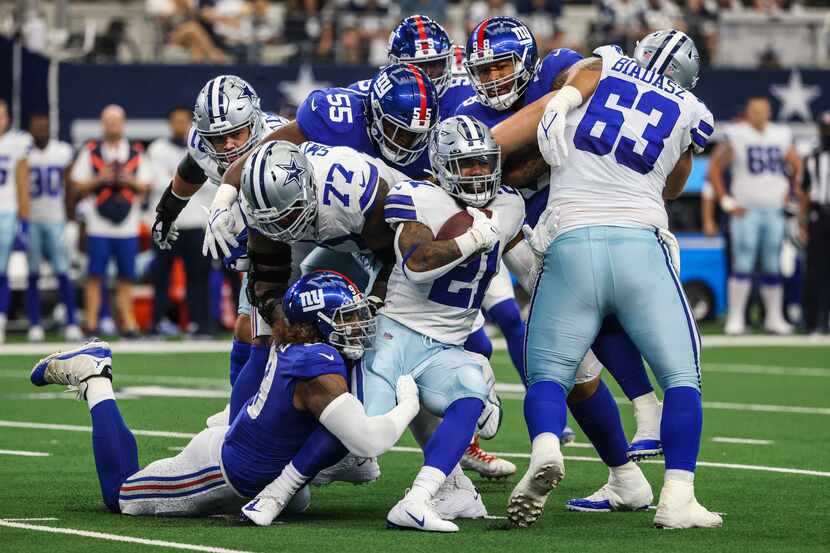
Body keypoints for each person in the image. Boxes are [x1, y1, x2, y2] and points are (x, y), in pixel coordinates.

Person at [508, 30, 721, 529]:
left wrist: (563, 99)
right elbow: (672, 185)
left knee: (548, 375)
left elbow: (588, 73)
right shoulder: (692, 109)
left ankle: (544, 447)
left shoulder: (603, 68)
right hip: (638, 243)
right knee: (682, 378)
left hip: (569, 240)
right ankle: (678, 496)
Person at [28, 270, 420, 519]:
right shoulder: (313, 364)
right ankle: (96, 374)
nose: (357, 325)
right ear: (316, 324)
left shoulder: (313, 352)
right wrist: (409, 404)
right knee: (121, 497)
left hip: (256, 451)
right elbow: (372, 439)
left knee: (346, 468)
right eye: (346, 318)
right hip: (223, 471)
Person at [461, 15, 664, 461]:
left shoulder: (553, 69)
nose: (493, 77)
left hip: (585, 218)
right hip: (523, 241)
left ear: (526, 60)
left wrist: (565, 95)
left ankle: (645, 414)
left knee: (607, 320)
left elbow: (593, 69)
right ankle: (623, 465)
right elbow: (493, 181)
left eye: (502, 65)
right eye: (485, 69)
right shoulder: (468, 116)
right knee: (573, 368)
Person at [362, 116, 545, 531]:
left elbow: (521, 250)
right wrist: (470, 240)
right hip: (397, 327)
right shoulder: (418, 196)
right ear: (441, 166)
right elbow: (417, 265)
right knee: (358, 446)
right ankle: (279, 482)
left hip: (448, 337)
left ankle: (436, 490)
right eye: (467, 164)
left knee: (471, 386)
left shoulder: (509, 204)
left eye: (484, 163)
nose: (478, 173)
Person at [151, 75, 288, 426]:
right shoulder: (202, 144)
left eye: (235, 134)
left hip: (306, 240)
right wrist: (167, 212)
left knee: (286, 332)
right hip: (265, 240)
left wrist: (257, 243)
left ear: (254, 122)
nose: (227, 145)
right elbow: (192, 169)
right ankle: (242, 413)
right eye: (217, 137)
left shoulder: (281, 142)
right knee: (248, 328)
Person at [707, 96, 803, 335]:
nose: (759, 115)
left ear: (769, 112)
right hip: (746, 209)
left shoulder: (780, 134)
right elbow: (714, 169)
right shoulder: (737, 134)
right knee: (743, 260)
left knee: (772, 262)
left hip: (774, 209)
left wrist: (791, 193)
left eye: (763, 110)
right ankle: (736, 317)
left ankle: (774, 317)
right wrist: (727, 201)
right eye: (755, 111)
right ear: (748, 112)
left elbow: (797, 165)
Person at [71, 104, 153, 338]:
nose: (112, 127)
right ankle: (91, 323)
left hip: (127, 225)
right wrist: (100, 179)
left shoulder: (136, 152)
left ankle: (127, 323)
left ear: (123, 124)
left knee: (126, 277)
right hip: (98, 225)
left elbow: (146, 186)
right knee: (95, 276)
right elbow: (77, 185)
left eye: (116, 122)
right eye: (108, 122)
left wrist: (128, 179)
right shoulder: (91, 151)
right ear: (102, 124)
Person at [146, 106, 214, 336]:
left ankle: (201, 325)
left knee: (198, 279)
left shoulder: (203, 149)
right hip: (168, 222)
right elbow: (157, 183)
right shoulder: (157, 148)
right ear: (169, 123)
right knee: (160, 278)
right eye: (176, 121)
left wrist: (181, 181)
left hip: (196, 222)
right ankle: (156, 323)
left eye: (184, 121)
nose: (180, 126)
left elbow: (211, 183)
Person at [25, 112, 82, 342]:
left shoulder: (63, 152)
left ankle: (70, 321)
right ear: (30, 129)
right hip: (32, 219)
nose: (40, 130)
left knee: (63, 272)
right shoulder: (24, 152)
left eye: (43, 126)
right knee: (33, 273)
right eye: (36, 126)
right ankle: (34, 322)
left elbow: (70, 189)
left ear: (50, 128)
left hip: (57, 218)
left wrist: (71, 220)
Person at [0, 99, 31, 343]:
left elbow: (22, 183)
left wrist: (24, 219)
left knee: (2, 271)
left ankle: (0, 319)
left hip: (6, 211)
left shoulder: (16, 143)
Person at [801, 111, 830, 335]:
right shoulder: (812, 156)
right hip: (819, 216)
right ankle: (813, 321)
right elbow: (805, 192)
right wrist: (802, 223)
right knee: (815, 270)